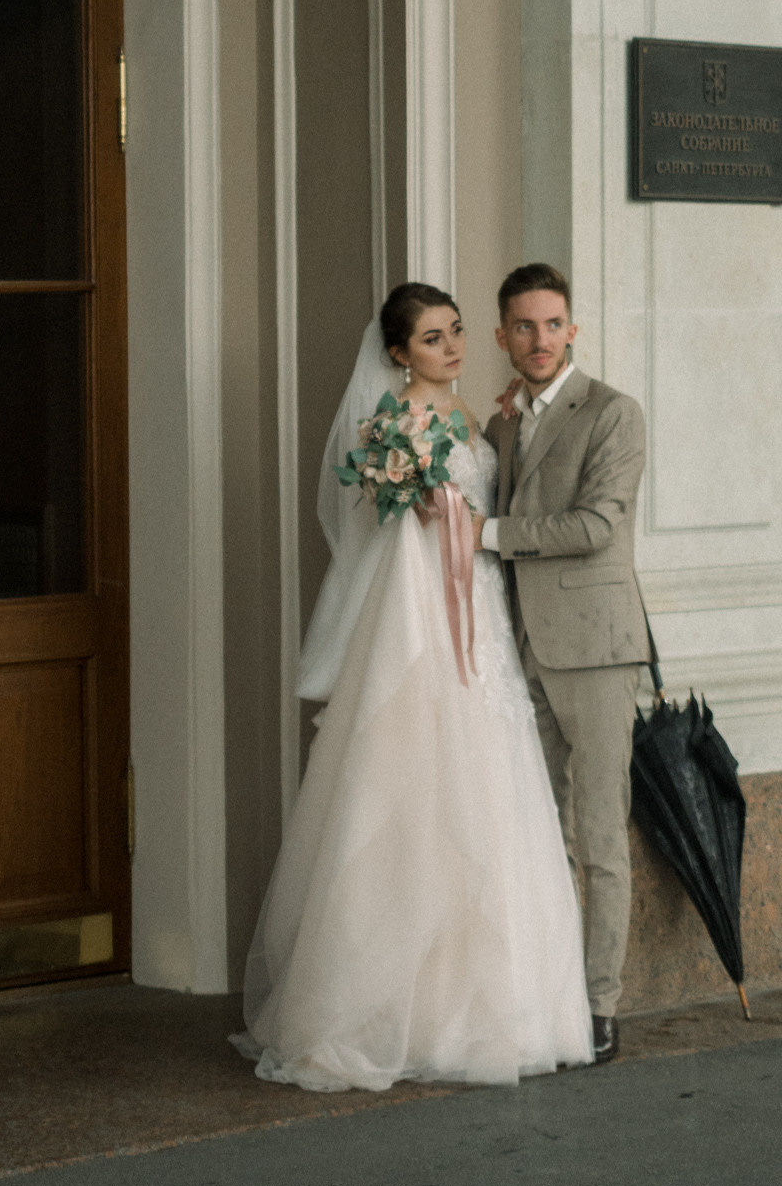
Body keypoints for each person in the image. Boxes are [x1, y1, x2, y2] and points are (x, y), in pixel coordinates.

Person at [234, 283, 594, 1093]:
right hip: (424, 618)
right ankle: (394, 1006)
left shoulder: (477, 417)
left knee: (493, 793)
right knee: (414, 790)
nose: (453, 347)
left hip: (484, 621)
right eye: (433, 339)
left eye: (458, 331)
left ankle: (498, 1005)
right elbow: (397, 539)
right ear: (399, 354)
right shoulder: (393, 428)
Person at [472, 263, 651, 1065]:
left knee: (598, 836)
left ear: (572, 328)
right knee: (536, 836)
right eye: (523, 327)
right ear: (504, 334)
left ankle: (600, 1008)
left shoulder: (614, 413)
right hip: (523, 655)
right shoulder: (505, 423)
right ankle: (542, 998)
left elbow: (595, 526)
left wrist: (492, 535)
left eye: (552, 325)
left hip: (597, 651)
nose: (539, 340)